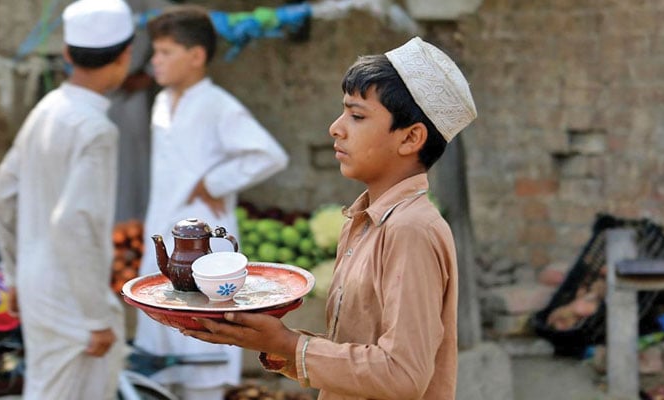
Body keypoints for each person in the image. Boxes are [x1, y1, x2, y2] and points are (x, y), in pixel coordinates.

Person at [179, 36, 477, 400]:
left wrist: (291, 345)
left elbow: (402, 374)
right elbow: (358, 351)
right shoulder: (363, 221)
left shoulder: (410, 228)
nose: (336, 128)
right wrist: (276, 343)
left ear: (411, 138)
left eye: (357, 116)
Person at [133, 5, 289, 400]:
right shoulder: (161, 103)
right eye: (156, 51)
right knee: (160, 359)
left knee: (203, 348)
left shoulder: (218, 104)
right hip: (164, 234)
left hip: (205, 244)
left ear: (196, 56)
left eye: (166, 51)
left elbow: (269, 154)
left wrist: (215, 182)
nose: (155, 60)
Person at [0, 0, 134, 399]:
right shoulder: (95, 129)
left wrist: (17, 273)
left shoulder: (48, 108)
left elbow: (4, 193)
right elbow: (72, 222)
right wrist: (95, 317)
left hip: (39, 285)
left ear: (69, 54)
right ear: (125, 56)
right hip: (72, 298)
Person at [108, 0, 170, 223]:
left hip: (131, 92)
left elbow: (175, 27)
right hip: (100, 91)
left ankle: (135, 225)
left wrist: (148, 74)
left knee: (135, 162)